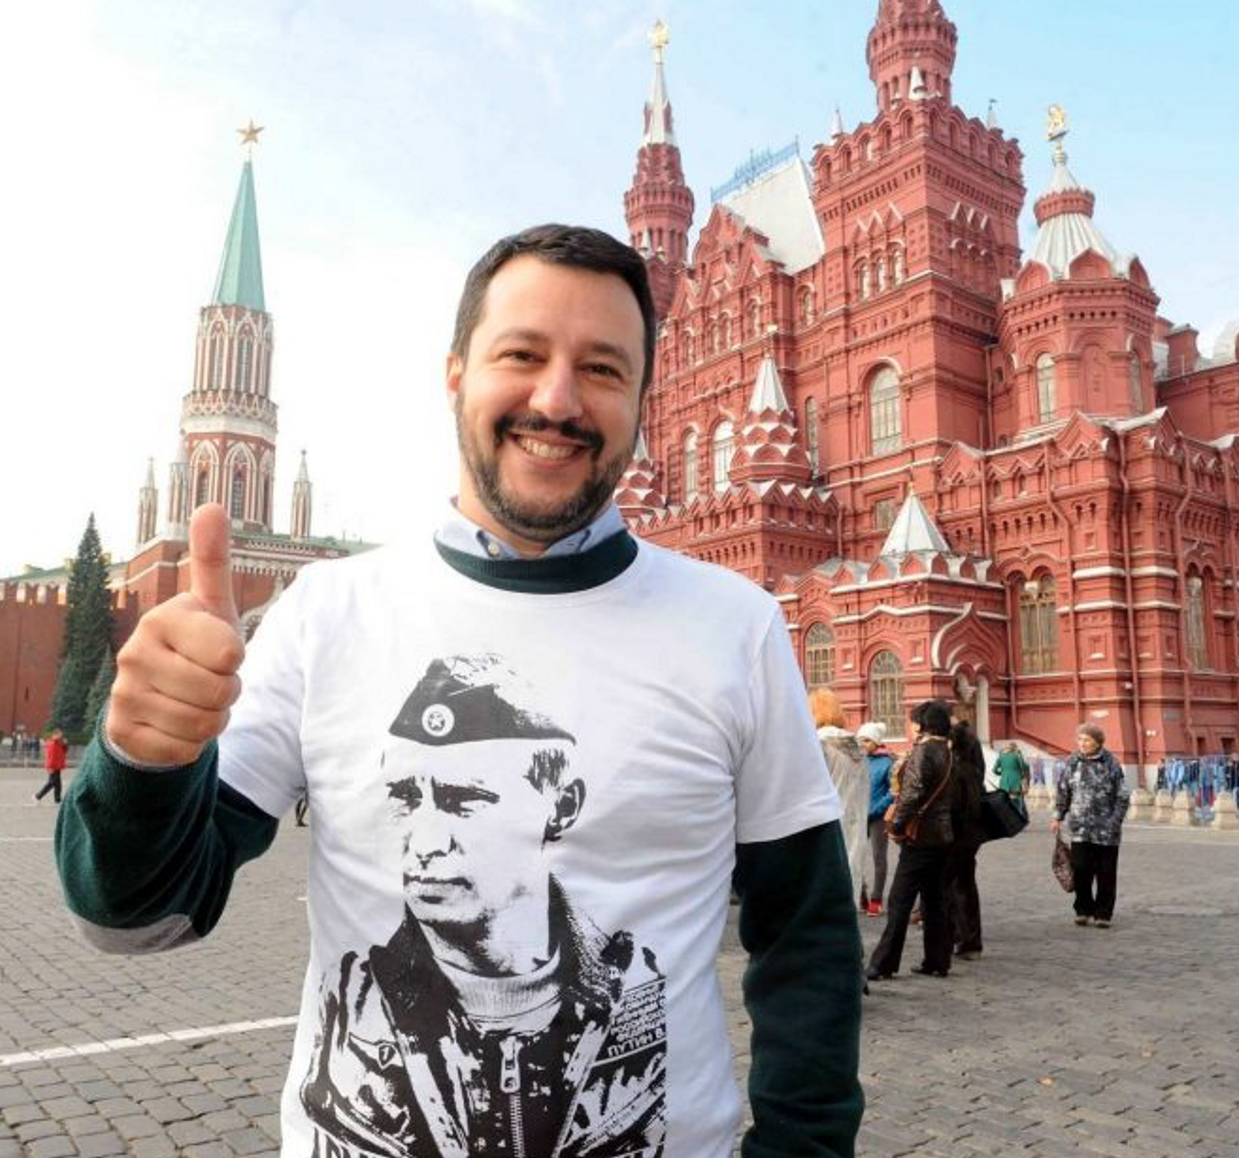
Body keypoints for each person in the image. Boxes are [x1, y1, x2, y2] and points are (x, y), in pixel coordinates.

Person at [55, 224, 862, 1157]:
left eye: (602, 369)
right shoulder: (326, 614)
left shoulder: (735, 627)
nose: (556, 400)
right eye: (522, 355)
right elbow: (138, 920)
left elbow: (807, 939)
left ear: (643, 401)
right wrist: (142, 762)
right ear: (455, 376)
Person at [300, 657, 667, 1151]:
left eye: (463, 801)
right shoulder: (351, 1002)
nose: (426, 842)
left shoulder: (639, 992)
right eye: (406, 798)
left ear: (562, 807)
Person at [867, 699, 956, 981]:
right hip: (943, 835)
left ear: (923, 724)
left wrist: (897, 825)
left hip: (919, 838)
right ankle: (937, 960)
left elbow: (912, 793)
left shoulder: (924, 751)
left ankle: (883, 963)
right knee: (935, 900)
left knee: (899, 901)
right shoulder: (948, 750)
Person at [1052, 722, 1130, 929]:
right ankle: (1083, 910)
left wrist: (1115, 821)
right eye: (1080, 739)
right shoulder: (1072, 762)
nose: (1082, 743)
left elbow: (1122, 796)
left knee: (1106, 873)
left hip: (1107, 831)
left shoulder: (1111, 763)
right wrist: (1058, 816)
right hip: (1080, 829)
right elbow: (1063, 791)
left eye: (1087, 740)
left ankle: (1103, 913)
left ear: (1098, 742)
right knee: (1081, 871)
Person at [811, 688, 869, 912]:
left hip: (825, 827)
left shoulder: (818, 744)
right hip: (856, 825)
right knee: (849, 880)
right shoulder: (859, 747)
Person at [937, 719, 987, 963]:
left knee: (947, 886)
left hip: (954, 837)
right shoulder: (973, 771)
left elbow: (951, 810)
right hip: (971, 836)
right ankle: (970, 942)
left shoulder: (952, 771)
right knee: (966, 885)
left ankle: (952, 938)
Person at [856, 722, 893, 917]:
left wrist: (877, 808)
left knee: (879, 857)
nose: (862, 743)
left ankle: (876, 899)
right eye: (860, 739)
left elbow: (893, 791)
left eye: (867, 740)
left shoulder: (887, 762)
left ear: (877, 742)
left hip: (878, 818)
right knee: (855, 856)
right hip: (858, 816)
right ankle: (861, 893)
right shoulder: (857, 760)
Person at [994, 741, 1028, 813]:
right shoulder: (1017, 756)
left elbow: (994, 770)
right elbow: (1023, 768)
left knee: (1004, 803)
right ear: (1015, 748)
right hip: (1015, 783)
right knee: (1018, 804)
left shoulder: (1001, 757)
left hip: (1004, 784)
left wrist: (1002, 773)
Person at [35, 728, 69, 802]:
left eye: (61, 735)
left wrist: (65, 745)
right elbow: (50, 757)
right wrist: (50, 767)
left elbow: (64, 752)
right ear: (54, 735)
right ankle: (38, 796)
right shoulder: (52, 744)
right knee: (51, 783)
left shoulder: (59, 743)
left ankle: (57, 799)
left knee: (58, 784)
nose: (61, 736)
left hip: (58, 766)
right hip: (53, 767)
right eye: (59, 735)